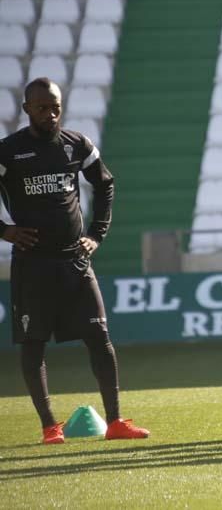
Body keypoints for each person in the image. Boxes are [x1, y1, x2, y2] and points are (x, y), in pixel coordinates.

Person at [1, 78, 149, 444]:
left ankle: (115, 422)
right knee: (33, 345)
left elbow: (105, 184)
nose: (50, 114)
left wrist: (96, 234)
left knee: (100, 336)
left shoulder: (76, 144)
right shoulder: (9, 151)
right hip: (33, 265)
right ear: (26, 110)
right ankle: (50, 427)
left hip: (76, 262)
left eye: (55, 107)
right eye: (41, 108)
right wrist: (4, 230)